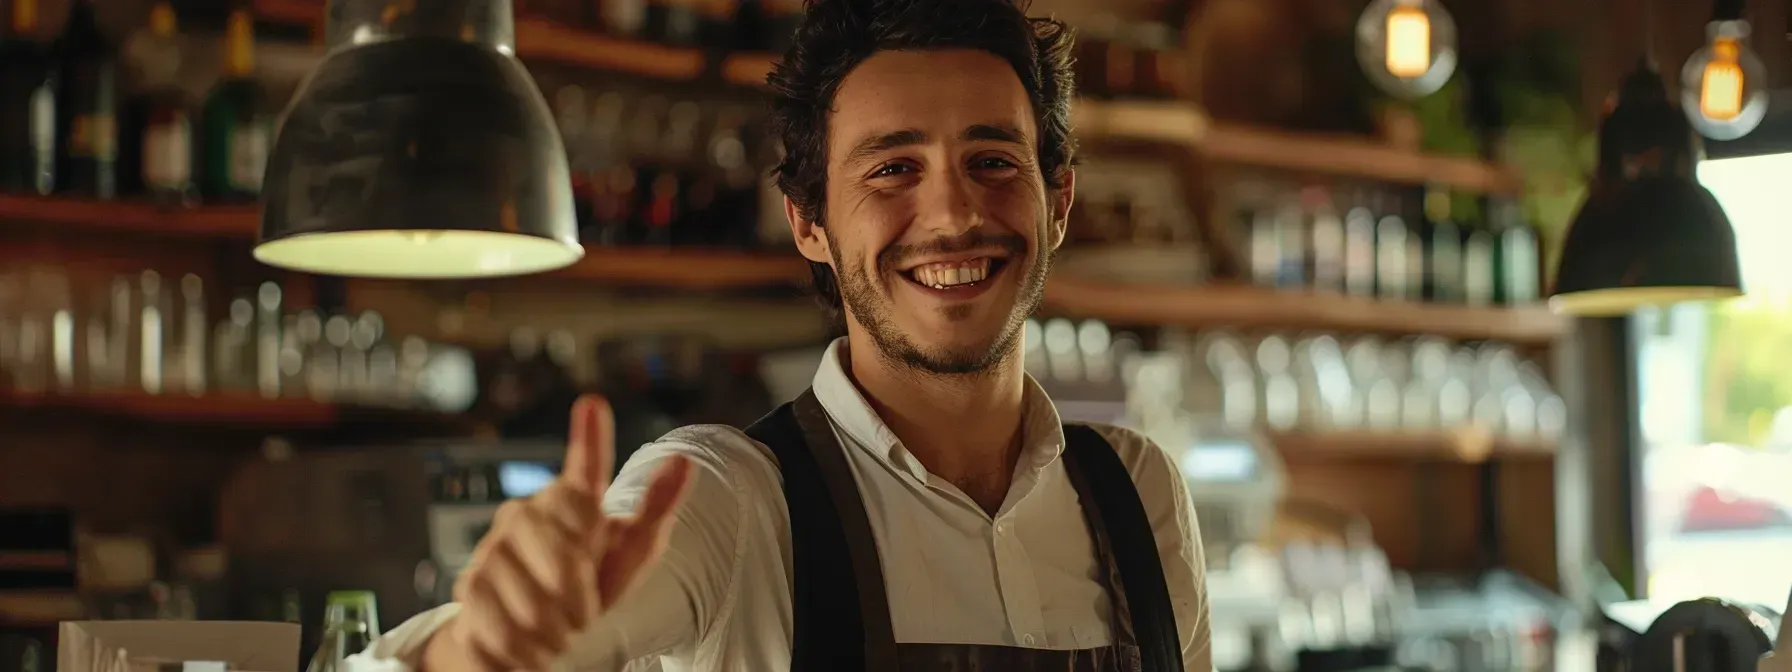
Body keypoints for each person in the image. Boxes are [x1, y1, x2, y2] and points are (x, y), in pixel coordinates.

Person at [357, 0, 1212, 668]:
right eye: (892, 169)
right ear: (807, 221)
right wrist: (480, 651)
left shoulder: (1142, 493)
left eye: (992, 160)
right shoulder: (725, 500)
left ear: (1057, 202)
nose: (953, 213)